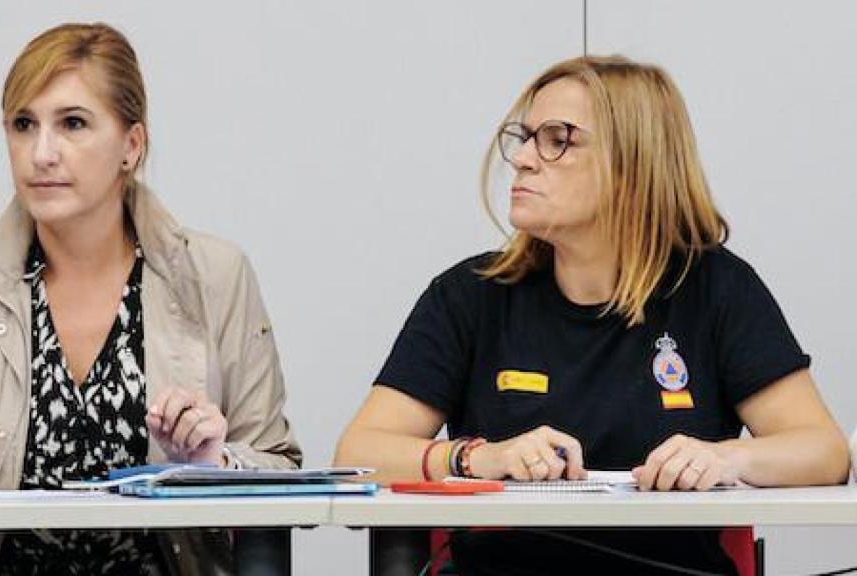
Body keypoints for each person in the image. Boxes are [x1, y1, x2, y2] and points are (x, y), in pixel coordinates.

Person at [334, 55, 850, 575]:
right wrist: (476, 459)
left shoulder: (717, 289)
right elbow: (360, 453)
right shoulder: (470, 295)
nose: (523, 159)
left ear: (634, 164)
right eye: (526, 136)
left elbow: (823, 451)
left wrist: (724, 460)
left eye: (558, 139)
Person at [0, 22, 300, 576]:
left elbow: (277, 463)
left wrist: (212, 464)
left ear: (132, 145)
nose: (42, 153)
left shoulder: (214, 275)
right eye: (23, 125)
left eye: (73, 124)